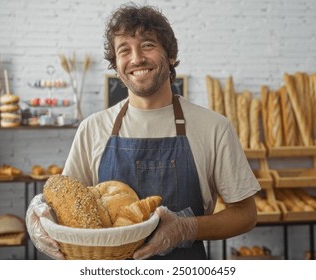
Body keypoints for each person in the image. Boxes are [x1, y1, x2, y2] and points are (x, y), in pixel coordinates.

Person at [26, 3, 260, 260]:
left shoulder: (214, 127)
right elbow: (64, 204)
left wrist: (186, 228)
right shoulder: (93, 129)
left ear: (170, 55)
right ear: (116, 65)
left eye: (148, 45)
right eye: (124, 50)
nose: (136, 58)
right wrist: (37, 213)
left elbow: (246, 214)